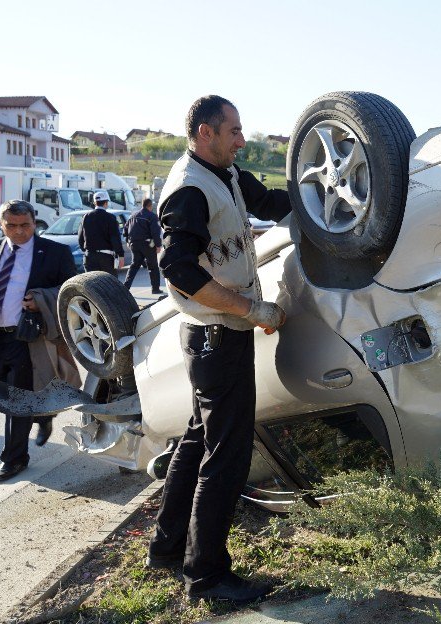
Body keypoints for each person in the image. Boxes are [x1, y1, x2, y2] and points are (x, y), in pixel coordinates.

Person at [146, 95, 291, 603]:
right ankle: (206, 577)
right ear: (205, 132)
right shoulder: (188, 190)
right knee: (225, 457)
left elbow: (274, 203)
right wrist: (249, 310)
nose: (242, 138)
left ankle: (166, 548)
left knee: (196, 440)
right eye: (234, 130)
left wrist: (331, 189)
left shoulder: (226, 175)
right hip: (215, 337)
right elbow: (180, 273)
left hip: (215, 339)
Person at [0, 200, 77, 482]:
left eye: (25, 226)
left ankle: (14, 459)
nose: (19, 232)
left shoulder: (54, 253)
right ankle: (42, 415)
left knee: (17, 402)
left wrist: (42, 298)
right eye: (12, 225)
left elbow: (71, 290)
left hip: (28, 339)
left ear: (34, 223)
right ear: (1, 224)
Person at [123, 198, 163, 294]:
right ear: (150, 206)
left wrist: (128, 241)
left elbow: (125, 230)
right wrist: (158, 245)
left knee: (134, 266)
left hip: (134, 244)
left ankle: (125, 287)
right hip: (147, 245)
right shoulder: (152, 216)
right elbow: (155, 232)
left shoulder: (132, 216)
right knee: (153, 267)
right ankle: (155, 289)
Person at [78, 190, 124, 273]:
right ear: (106, 203)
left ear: (95, 203)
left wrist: (86, 251)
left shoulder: (86, 217)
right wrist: (120, 255)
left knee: (90, 284)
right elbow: (115, 238)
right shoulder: (110, 218)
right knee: (109, 283)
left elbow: (80, 238)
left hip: (89, 257)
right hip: (106, 258)